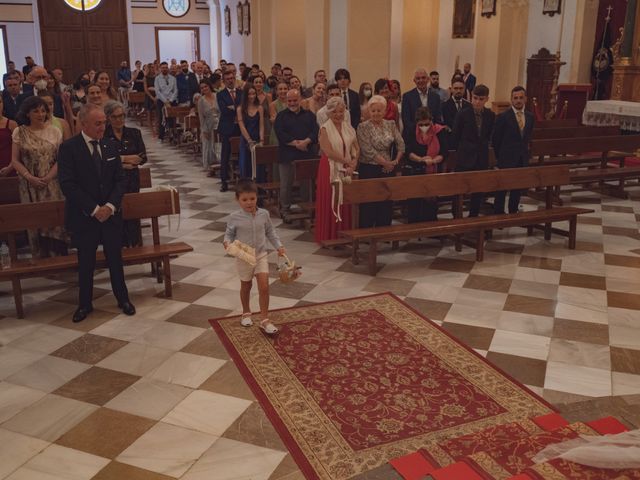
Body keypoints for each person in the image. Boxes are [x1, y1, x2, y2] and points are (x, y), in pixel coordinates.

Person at [58, 103, 135, 323]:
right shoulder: (69, 148)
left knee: (115, 259)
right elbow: (68, 184)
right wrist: (93, 209)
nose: (103, 127)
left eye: (104, 123)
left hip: (110, 215)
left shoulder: (110, 146)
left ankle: (123, 299)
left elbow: (120, 180)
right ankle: (84, 304)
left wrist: (109, 207)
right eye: (97, 123)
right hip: (85, 216)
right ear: (83, 124)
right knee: (86, 262)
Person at [223, 179, 285, 335]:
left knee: (264, 286)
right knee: (246, 285)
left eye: (252, 198)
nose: (249, 203)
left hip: (261, 255)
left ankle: (265, 320)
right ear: (237, 200)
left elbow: (270, 232)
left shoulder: (264, 214)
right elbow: (229, 234)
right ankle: (246, 312)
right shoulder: (234, 217)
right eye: (244, 200)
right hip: (244, 257)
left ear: (257, 197)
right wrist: (226, 242)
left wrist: (278, 246)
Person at [11, 96, 67, 257]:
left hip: (52, 183)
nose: (40, 114)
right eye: (36, 111)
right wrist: (30, 177)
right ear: (27, 113)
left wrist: (49, 177)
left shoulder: (54, 131)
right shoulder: (19, 131)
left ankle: (59, 256)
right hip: (29, 184)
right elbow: (15, 161)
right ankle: (41, 258)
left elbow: (60, 159)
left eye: (43, 111)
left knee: (54, 220)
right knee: (35, 221)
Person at [314, 97, 359, 244]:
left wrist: (353, 162)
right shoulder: (324, 128)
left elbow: (356, 147)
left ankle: (344, 235)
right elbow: (328, 151)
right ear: (329, 113)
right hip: (330, 167)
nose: (338, 115)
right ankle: (329, 236)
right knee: (331, 200)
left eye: (341, 111)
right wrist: (347, 162)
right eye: (335, 112)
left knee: (345, 200)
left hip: (347, 167)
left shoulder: (348, 127)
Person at [356, 95, 404, 228]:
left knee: (386, 200)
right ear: (369, 112)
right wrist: (386, 163)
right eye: (373, 111)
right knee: (369, 201)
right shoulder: (362, 127)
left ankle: (384, 230)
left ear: (384, 111)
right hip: (369, 168)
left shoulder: (391, 124)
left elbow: (401, 145)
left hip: (387, 169)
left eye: (379, 110)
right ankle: (366, 231)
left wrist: (394, 162)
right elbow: (367, 150)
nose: (376, 113)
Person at [104, 100, 147, 246]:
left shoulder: (134, 133)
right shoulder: (104, 136)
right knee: (116, 213)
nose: (119, 119)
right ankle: (118, 245)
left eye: (121, 116)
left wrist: (120, 162)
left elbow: (142, 156)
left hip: (132, 179)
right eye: (115, 117)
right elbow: (103, 160)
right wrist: (123, 160)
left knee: (132, 212)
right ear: (108, 118)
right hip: (113, 181)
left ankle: (134, 244)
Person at [451, 84, 495, 217]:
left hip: (481, 157)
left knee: (478, 189)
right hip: (464, 157)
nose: (477, 102)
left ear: (487, 99)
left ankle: (473, 215)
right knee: (459, 189)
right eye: (475, 98)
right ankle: (457, 215)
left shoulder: (490, 115)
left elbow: (488, 136)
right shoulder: (463, 114)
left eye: (481, 99)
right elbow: (455, 136)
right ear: (471, 97)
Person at [273, 89, 319, 215]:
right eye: (290, 101)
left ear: (300, 100)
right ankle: (285, 209)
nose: (292, 103)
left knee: (307, 183)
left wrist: (306, 142)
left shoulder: (309, 115)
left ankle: (306, 207)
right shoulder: (281, 116)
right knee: (286, 184)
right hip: (287, 155)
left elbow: (315, 131)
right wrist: (297, 144)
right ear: (286, 101)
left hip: (306, 154)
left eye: (295, 100)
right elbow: (280, 134)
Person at [492, 86, 535, 215]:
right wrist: (500, 158)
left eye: (521, 98)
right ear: (511, 99)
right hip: (506, 158)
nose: (518, 101)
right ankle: (498, 212)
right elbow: (496, 140)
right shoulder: (503, 117)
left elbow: (527, 137)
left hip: (522, 157)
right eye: (515, 98)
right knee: (502, 188)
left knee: (517, 187)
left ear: (525, 99)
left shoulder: (530, 116)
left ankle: (513, 211)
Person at [403, 107, 447, 223]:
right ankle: (414, 225)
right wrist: (421, 159)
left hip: (433, 169)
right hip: (415, 170)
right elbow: (407, 151)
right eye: (421, 124)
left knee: (431, 203)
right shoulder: (411, 130)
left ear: (431, 120)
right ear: (417, 123)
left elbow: (444, 152)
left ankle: (430, 225)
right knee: (414, 201)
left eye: (427, 124)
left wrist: (433, 160)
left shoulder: (439, 131)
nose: (424, 126)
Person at [217, 69, 242, 192]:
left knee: (242, 152)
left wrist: (234, 108)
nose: (230, 81)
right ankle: (224, 181)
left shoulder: (241, 92)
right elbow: (224, 110)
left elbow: (244, 107)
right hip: (227, 127)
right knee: (225, 155)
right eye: (227, 79)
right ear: (224, 81)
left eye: (232, 78)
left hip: (240, 127)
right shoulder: (220, 94)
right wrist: (236, 109)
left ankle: (242, 179)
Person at [402, 68, 443, 143]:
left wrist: (430, 131)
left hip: (432, 137)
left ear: (428, 79)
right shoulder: (407, 97)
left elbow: (438, 119)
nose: (421, 80)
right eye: (418, 78)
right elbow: (406, 120)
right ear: (414, 80)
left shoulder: (436, 97)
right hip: (413, 137)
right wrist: (421, 131)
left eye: (423, 78)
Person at [237, 84, 265, 180]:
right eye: (249, 94)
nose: (252, 96)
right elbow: (242, 126)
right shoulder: (240, 109)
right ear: (245, 95)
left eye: (254, 93)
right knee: (246, 165)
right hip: (246, 140)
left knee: (258, 166)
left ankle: (259, 188)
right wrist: (249, 140)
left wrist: (261, 140)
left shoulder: (259, 108)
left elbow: (261, 125)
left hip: (257, 139)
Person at [197, 78, 220, 174]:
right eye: (202, 88)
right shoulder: (201, 101)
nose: (204, 89)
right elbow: (201, 117)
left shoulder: (217, 96)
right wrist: (203, 130)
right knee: (208, 146)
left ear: (209, 86)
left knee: (218, 145)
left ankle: (219, 164)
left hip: (218, 123)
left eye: (206, 86)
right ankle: (210, 167)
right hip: (208, 125)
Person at [154, 62, 177, 141]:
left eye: (166, 67)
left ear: (168, 68)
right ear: (160, 69)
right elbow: (157, 91)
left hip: (171, 100)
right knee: (161, 118)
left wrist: (170, 100)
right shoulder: (157, 79)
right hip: (161, 100)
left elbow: (175, 90)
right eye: (163, 67)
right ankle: (161, 136)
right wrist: (165, 101)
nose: (165, 69)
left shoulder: (173, 78)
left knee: (172, 118)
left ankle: (172, 134)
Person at [0, 95, 17, 176]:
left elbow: (19, 149)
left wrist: (10, 167)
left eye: (0, 102)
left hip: (9, 168)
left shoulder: (12, 124)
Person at [268, 81, 288, 146]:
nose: (283, 91)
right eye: (280, 89)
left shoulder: (293, 103)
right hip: (277, 135)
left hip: (292, 133)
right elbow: (275, 121)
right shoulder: (273, 105)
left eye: (285, 89)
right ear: (276, 91)